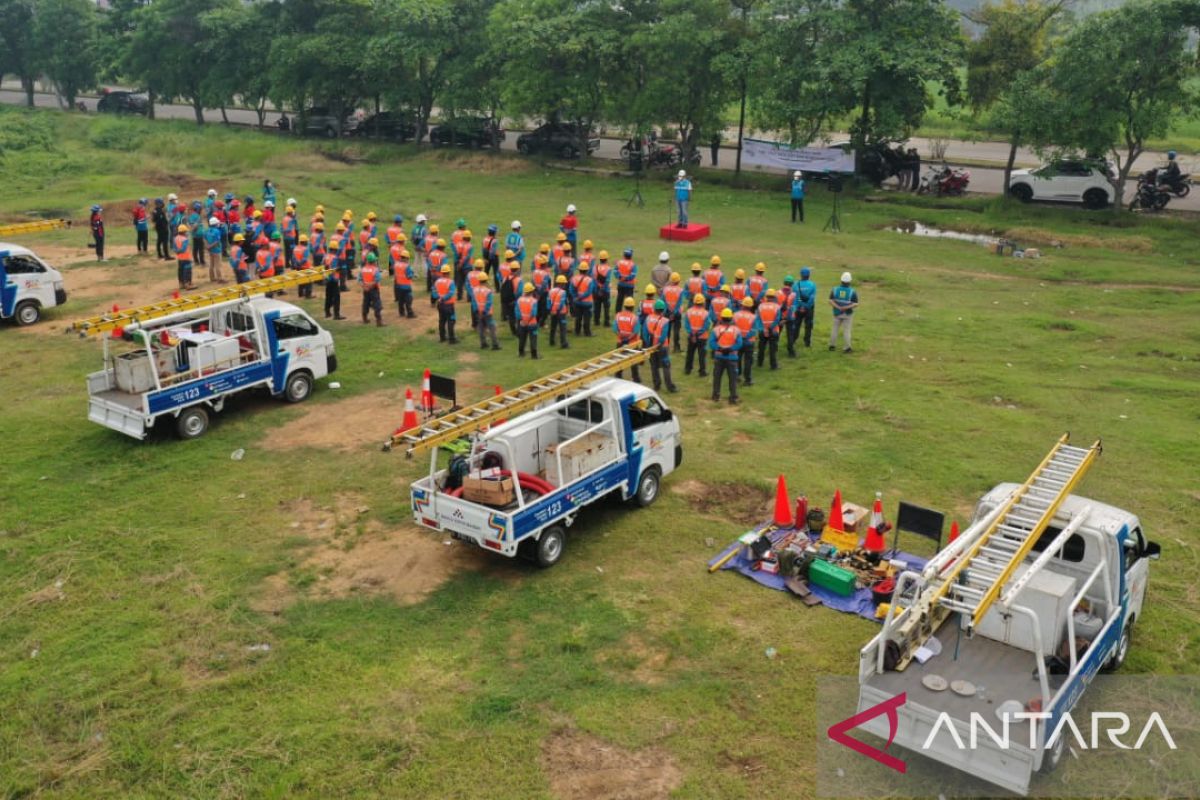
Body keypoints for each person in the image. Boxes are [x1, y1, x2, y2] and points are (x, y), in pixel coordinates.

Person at [708, 307, 743, 404]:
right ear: (731, 318)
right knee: (733, 379)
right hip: (732, 358)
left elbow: (711, 343)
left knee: (717, 378)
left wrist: (719, 349)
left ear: (721, 318)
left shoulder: (716, 329)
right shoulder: (736, 330)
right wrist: (730, 349)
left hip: (719, 357)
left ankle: (715, 396)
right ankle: (733, 398)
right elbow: (739, 343)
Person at [643, 300, 677, 393]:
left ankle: (656, 385)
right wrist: (659, 344)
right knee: (666, 366)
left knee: (654, 366)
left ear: (654, 309)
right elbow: (663, 335)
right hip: (662, 347)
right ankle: (670, 387)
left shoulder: (648, 318)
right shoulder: (665, 321)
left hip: (651, 347)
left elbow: (645, 333)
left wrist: (648, 344)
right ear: (663, 310)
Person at [612, 297, 642, 383]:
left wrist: (621, 337)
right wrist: (628, 338)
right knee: (633, 362)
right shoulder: (634, 318)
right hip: (632, 344)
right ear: (632, 307)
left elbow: (615, 329)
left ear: (624, 306)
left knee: (620, 360)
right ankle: (636, 378)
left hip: (620, 342)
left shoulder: (618, 315)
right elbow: (635, 332)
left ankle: (618, 375)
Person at [732, 297, 760, 386]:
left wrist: (740, 337)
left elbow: (732, 328)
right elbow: (754, 330)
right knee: (748, 361)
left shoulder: (735, 315)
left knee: (737, 360)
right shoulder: (753, 317)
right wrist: (745, 336)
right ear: (751, 306)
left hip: (737, 341)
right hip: (749, 342)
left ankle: (736, 377)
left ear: (742, 305)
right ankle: (747, 380)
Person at [683, 293, 711, 377]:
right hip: (702, 337)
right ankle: (702, 371)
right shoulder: (706, 313)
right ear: (703, 303)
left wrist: (692, 333)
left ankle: (687, 369)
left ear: (694, 302)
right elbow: (707, 326)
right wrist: (698, 333)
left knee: (690, 353)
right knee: (702, 355)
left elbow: (686, 325)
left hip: (691, 336)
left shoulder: (689, 311)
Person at [829, 271, 858, 352]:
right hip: (847, 314)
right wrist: (846, 307)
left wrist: (838, 307)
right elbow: (855, 304)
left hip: (836, 313)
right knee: (847, 331)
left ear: (841, 280)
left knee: (834, 329)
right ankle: (847, 348)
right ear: (849, 281)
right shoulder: (852, 291)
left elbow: (830, 301)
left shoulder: (834, 289)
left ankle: (832, 346)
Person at [756, 289, 783, 370]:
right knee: (772, 349)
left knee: (761, 348)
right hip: (773, 331)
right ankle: (773, 366)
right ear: (774, 297)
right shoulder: (777, 307)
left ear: (766, 297)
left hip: (762, 331)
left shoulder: (760, 306)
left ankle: (759, 363)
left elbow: (758, 320)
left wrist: (763, 329)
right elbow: (777, 319)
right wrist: (770, 328)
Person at [473, 273, 501, 351]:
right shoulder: (488, 291)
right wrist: (484, 311)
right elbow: (489, 303)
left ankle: (483, 343)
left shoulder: (475, 290)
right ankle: (495, 344)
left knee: (481, 328)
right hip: (487, 313)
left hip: (478, 312)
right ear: (486, 280)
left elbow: (474, 302)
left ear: (478, 280)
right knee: (492, 328)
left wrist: (477, 311)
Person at [433, 264, 458, 344]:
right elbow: (451, 293)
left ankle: (442, 337)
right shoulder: (451, 282)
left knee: (442, 321)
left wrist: (439, 297)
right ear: (449, 273)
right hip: (449, 305)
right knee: (451, 321)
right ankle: (452, 339)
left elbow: (433, 293)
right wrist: (444, 298)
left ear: (441, 273)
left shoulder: (437, 282)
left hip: (440, 304)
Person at [661, 272, 685, 353]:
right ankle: (676, 347)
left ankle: (665, 347)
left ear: (670, 280)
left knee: (666, 331)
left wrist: (668, 312)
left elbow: (663, 301)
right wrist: (674, 313)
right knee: (676, 330)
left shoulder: (665, 289)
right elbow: (679, 303)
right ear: (678, 281)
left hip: (667, 312)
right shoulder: (680, 290)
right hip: (677, 313)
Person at [570, 262, 595, 338]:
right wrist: (581, 297)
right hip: (587, 302)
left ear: (579, 270)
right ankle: (587, 332)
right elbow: (589, 292)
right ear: (587, 270)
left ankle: (577, 331)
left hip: (577, 302)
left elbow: (571, 290)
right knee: (587, 318)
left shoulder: (574, 278)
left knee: (578, 317)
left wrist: (575, 297)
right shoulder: (589, 280)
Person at [515, 283, 540, 359]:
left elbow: (517, 312)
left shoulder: (519, 300)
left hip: (522, 323)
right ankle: (534, 355)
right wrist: (528, 321)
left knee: (522, 338)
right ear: (532, 291)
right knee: (533, 339)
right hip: (532, 324)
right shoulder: (534, 301)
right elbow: (534, 313)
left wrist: (523, 320)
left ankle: (521, 353)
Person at [360, 252, 385, 326]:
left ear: (367, 261)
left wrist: (364, 286)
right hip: (374, 290)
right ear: (374, 261)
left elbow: (359, 280)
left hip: (365, 290)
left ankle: (364, 318)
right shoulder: (375, 270)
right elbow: (377, 280)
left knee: (366, 303)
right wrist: (370, 286)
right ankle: (379, 321)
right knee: (377, 304)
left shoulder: (363, 269)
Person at [390, 245, 415, 318]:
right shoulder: (407, 266)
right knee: (408, 300)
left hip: (398, 286)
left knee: (400, 300)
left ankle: (401, 312)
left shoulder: (396, 265)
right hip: (406, 286)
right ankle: (410, 313)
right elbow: (409, 276)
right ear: (406, 258)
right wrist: (412, 274)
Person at [794, 266, 816, 349]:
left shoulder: (796, 285)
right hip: (809, 309)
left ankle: (793, 339)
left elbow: (796, 298)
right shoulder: (812, 285)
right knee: (808, 325)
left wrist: (800, 306)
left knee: (796, 325)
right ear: (809, 275)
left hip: (798, 308)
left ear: (801, 275)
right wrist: (806, 307)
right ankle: (807, 342)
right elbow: (811, 298)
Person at [323, 239, 345, 320]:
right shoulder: (335, 258)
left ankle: (327, 312)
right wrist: (340, 269)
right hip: (334, 280)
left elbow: (324, 267)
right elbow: (334, 269)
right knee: (336, 297)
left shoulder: (325, 256)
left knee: (328, 296)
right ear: (335, 249)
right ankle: (336, 314)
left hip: (327, 279)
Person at [548, 274, 570, 348]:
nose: (565, 285)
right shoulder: (563, 292)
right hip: (561, 313)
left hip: (553, 312)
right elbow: (561, 303)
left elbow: (548, 302)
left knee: (553, 327)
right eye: (564, 283)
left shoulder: (551, 291)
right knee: (562, 328)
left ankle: (551, 341)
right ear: (561, 284)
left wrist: (551, 310)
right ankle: (564, 343)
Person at [426, 238, 450, 306]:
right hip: (440, 274)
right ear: (443, 247)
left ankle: (433, 302)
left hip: (433, 274)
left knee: (434, 287)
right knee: (441, 288)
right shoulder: (443, 255)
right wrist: (437, 268)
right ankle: (440, 301)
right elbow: (444, 266)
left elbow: (428, 261)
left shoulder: (431, 254)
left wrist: (432, 268)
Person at [592, 249, 612, 327]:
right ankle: (606, 322)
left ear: (600, 259)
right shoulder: (608, 269)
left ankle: (596, 321)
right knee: (606, 307)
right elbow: (607, 281)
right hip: (605, 291)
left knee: (597, 307)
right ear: (606, 259)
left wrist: (598, 288)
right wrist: (603, 289)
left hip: (596, 290)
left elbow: (594, 279)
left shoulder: (595, 267)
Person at [453, 229, 474, 300]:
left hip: (459, 266)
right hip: (467, 266)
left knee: (460, 281)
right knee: (469, 282)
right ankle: (469, 297)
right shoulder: (470, 246)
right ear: (469, 238)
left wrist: (458, 264)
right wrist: (462, 263)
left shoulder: (458, 245)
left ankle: (459, 296)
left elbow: (456, 255)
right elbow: (467, 257)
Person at [173, 224, 193, 289]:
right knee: (187, 271)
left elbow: (174, 248)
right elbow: (184, 249)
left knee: (180, 270)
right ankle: (187, 284)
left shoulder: (175, 238)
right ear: (184, 232)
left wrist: (177, 252)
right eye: (186, 231)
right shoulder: (185, 239)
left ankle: (181, 284)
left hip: (180, 258)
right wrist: (179, 251)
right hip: (186, 257)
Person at [205, 217, 224, 282]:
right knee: (218, 265)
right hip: (217, 249)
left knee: (211, 264)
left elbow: (205, 239)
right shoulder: (217, 231)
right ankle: (220, 278)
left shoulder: (207, 230)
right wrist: (210, 246)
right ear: (215, 223)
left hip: (210, 250)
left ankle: (212, 278)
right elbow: (217, 241)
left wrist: (207, 246)